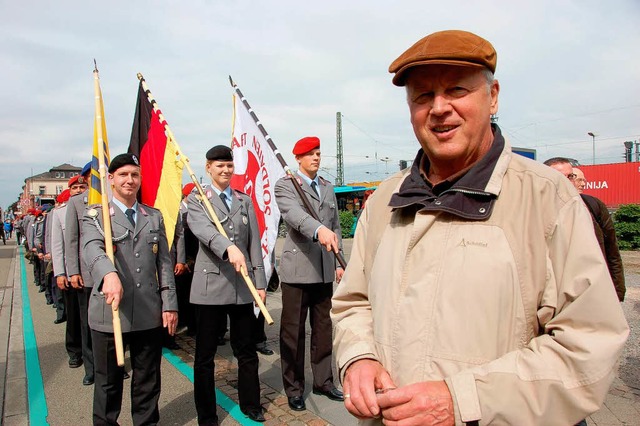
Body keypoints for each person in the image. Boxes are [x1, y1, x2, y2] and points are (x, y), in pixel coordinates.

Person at [331, 30, 629, 425]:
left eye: (456, 89)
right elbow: (353, 303)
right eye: (423, 96)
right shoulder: (385, 200)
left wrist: (463, 401)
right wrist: (359, 357)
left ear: (493, 96)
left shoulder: (547, 199)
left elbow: (588, 347)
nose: (439, 108)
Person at [83, 153, 178, 425]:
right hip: (109, 312)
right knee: (108, 384)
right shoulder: (96, 215)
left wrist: (169, 304)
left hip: (148, 312)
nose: (130, 180)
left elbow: (164, 265)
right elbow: (91, 248)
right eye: (123, 174)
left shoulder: (153, 216)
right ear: (111, 180)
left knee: (148, 382)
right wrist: (108, 273)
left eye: (135, 174)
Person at [187, 145, 267, 424]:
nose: (225, 170)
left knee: (246, 350)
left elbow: (254, 243)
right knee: (205, 356)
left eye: (229, 166)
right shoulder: (197, 199)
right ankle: (206, 414)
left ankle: (251, 403)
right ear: (208, 168)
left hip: (242, 286)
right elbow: (203, 230)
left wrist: (260, 282)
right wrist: (228, 247)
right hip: (210, 288)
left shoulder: (243, 201)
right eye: (219, 165)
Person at [274, 136, 344, 411]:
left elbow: (335, 224)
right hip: (298, 270)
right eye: (310, 154)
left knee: (323, 329)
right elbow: (293, 215)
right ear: (298, 159)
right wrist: (318, 230)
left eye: (318, 153)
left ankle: (324, 381)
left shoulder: (327, 187)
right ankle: (294, 387)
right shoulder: (287, 186)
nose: (316, 158)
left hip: (325, 267)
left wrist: (339, 261)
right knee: (293, 331)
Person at [544, 158, 625, 301]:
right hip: (555, 294)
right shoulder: (536, 210)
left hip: (591, 290)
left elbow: (611, 251)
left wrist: (617, 292)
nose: (568, 181)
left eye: (570, 176)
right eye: (560, 177)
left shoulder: (592, 206)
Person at [65, 164, 96, 384]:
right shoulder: (76, 203)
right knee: (88, 323)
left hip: (115, 274)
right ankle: (92, 367)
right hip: (87, 273)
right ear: (85, 178)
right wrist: (73, 271)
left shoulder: (115, 200)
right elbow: (72, 240)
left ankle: (114, 363)